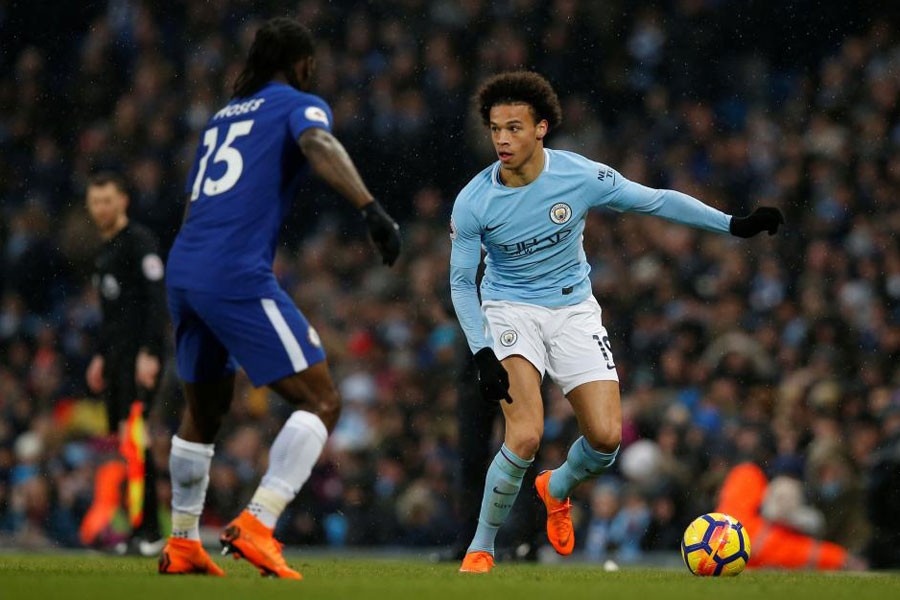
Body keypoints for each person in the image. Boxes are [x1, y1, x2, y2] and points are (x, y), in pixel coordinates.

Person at [449, 71, 784, 573]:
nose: (502, 139)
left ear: (541, 128)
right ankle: (481, 547)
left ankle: (556, 487)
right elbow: (460, 284)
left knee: (606, 439)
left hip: (574, 309)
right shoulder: (473, 201)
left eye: (514, 128)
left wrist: (733, 225)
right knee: (524, 435)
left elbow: (656, 200)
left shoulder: (579, 176)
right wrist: (481, 352)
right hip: (509, 310)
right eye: (495, 128)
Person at [157, 17, 401, 579]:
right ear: (301, 64)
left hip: (186, 265)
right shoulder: (298, 103)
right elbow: (316, 141)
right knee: (323, 401)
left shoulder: (220, 117)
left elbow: (197, 201)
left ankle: (182, 541)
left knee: (205, 410)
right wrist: (369, 208)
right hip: (234, 273)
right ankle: (259, 521)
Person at [81, 171, 166, 556]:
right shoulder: (105, 250)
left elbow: (155, 300)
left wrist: (149, 352)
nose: (101, 208)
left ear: (123, 201)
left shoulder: (139, 242)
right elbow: (109, 313)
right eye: (95, 202)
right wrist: (101, 355)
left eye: (108, 201)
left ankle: (149, 532)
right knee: (125, 440)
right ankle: (135, 529)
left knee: (136, 439)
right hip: (115, 357)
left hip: (137, 356)